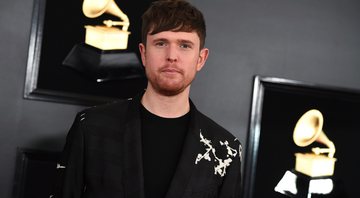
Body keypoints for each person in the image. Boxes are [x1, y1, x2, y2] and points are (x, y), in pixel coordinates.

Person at [53, 0, 242, 197]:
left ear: (201, 59)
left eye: (184, 45)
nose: (172, 56)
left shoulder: (225, 149)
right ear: (143, 54)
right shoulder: (90, 127)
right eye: (161, 43)